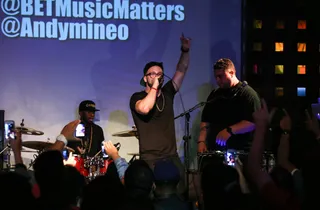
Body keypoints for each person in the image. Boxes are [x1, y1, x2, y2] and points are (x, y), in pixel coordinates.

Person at [129, 34, 191, 196]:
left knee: (181, 193)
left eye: (159, 74)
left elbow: (181, 69)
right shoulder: (137, 97)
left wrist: (185, 51)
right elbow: (144, 109)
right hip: (150, 159)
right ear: (145, 78)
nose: (156, 76)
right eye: (152, 74)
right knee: (153, 198)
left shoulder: (168, 93)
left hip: (171, 156)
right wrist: (155, 88)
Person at [198, 58, 260, 153]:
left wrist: (229, 130)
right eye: (216, 77)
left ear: (231, 73)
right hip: (215, 151)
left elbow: (253, 123)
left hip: (240, 151)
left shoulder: (248, 94)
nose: (218, 80)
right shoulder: (215, 94)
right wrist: (201, 141)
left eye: (221, 76)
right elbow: (205, 120)